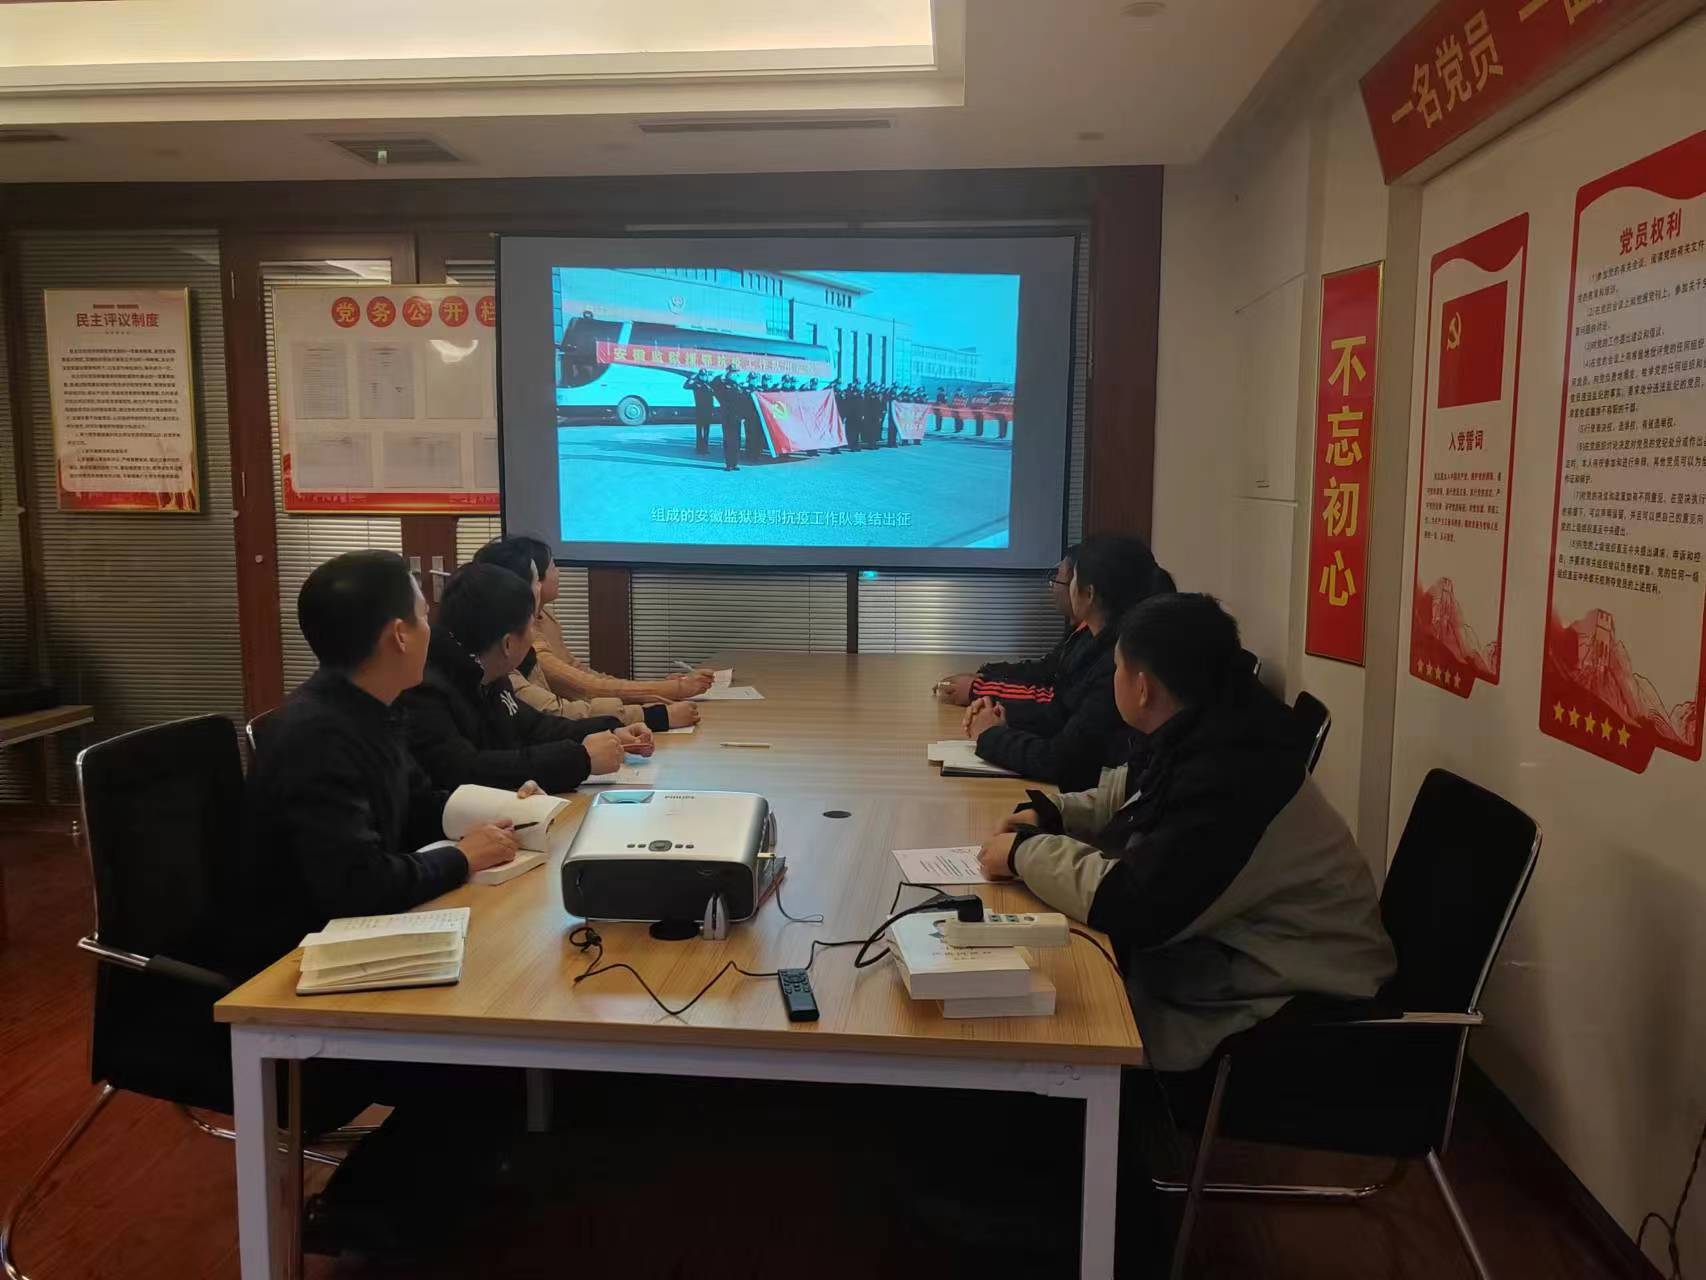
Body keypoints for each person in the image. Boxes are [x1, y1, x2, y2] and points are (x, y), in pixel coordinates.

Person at [974, 592, 1394, 1074]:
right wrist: (1052, 813)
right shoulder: (1212, 727)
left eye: (1117, 669)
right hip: (1241, 963)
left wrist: (1025, 853)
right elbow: (1132, 797)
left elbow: (1134, 905)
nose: (1112, 680)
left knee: (1057, 1024)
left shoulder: (1233, 776)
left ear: (1143, 688)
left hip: (1290, 1011)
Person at [239, 550, 525, 970]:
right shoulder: (316, 736)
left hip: (361, 935)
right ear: (399, 636)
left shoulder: (370, 708)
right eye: (423, 616)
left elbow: (419, 805)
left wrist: (508, 809)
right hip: (302, 962)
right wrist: (463, 857)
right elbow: (360, 884)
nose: (431, 631)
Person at [400, 563, 651, 793]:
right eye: (531, 626)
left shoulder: (489, 675)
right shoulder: (425, 692)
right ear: (508, 644)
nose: (534, 637)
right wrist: (581, 759)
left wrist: (611, 730)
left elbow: (535, 728)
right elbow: (466, 771)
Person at [961, 533, 1171, 789]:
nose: (1065, 586)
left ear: (1088, 594)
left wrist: (991, 735)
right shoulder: (1096, 643)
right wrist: (1002, 716)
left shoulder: (1117, 663)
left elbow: (1063, 762)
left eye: (1073, 580)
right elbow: (1061, 714)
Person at [470, 539, 699, 731]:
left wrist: (650, 695)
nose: (556, 574)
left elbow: (578, 676)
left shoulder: (541, 622)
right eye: (546, 571)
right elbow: (566, 703)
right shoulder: (497, 661)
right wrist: (657, 706)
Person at [936, 546, 1085, 707]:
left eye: (1057, 579)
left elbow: (1057, 705)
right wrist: (987, 675)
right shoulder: (1078, 633)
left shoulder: (1093, 650)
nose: (1053, 587)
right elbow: (1046, 671)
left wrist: (977, 689)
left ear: (1082, 591)